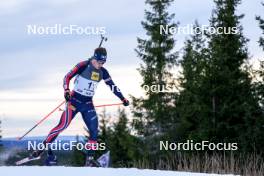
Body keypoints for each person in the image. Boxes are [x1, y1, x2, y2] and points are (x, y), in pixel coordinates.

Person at [32, 47, 129, 166]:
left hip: (87, 104)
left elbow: (112, 86)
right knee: (63, 125)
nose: (100, 65)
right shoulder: (83, 65)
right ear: (94, 58)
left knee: (94, 130)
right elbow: (67, 77)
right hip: (74, 101)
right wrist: (66, 90)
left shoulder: (103, 72)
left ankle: (89, 160)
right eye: (99, 62)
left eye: (103, 63)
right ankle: (41, 149)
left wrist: (122, 98)